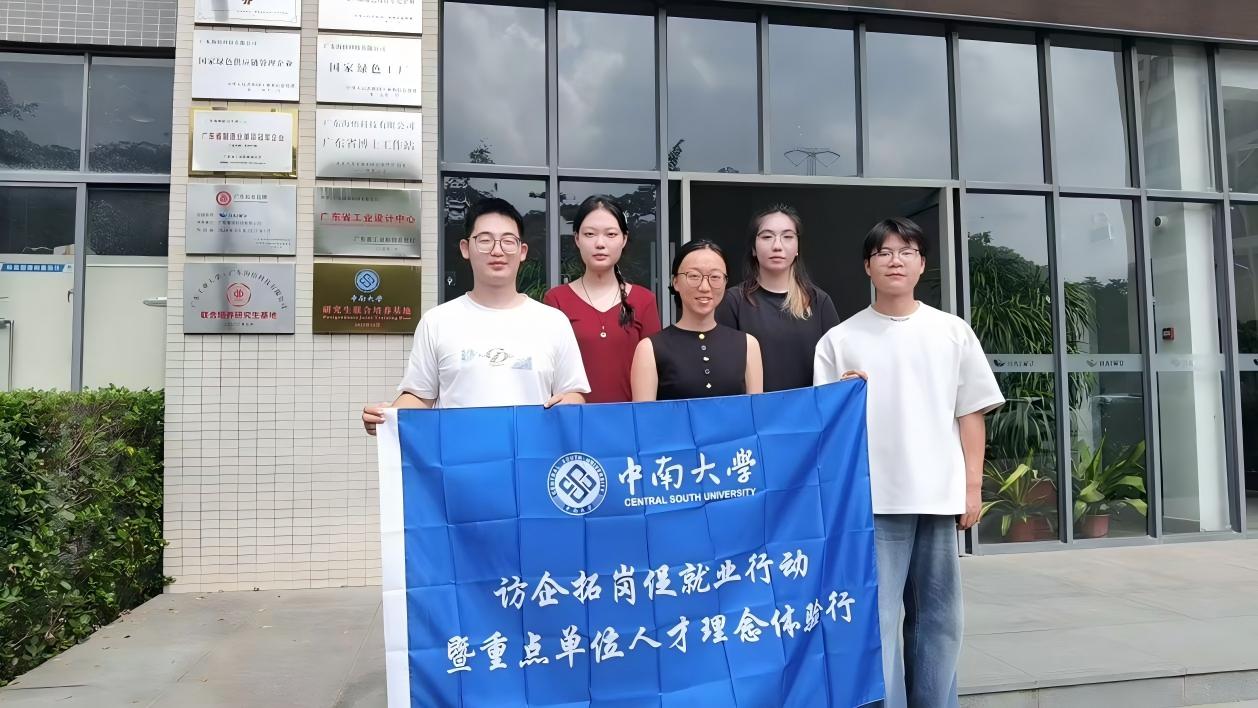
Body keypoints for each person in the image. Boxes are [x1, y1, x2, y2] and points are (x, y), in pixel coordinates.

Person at [813, 217, 1003, 708]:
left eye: (906, 251)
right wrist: (842, 397)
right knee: (876, 620)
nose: (895, 261)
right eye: (884, 252)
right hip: (874, 501)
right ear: (867, 266)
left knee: (940, 620)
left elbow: (970, 412)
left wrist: (972, 488)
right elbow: (825, 426)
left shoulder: (952, 332)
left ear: (922, 264)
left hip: (938, 496)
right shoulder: (839, 340)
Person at [361, 198, 589, 432]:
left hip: (530, 451)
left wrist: (569, 402)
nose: (497, 251)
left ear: (522, 251)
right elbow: (420, 396)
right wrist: (388, 417)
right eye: (485, 240)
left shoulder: (553, 322)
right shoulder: (437, 322)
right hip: (459, 453)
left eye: (508, 241)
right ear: (465, 248)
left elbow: (574, 393)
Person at [543, 196, 661, 403]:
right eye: (589, 234)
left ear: (624, 239)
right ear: (577, 239)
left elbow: (654, 372)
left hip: (630, 419)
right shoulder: (556, 299)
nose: (600, 244)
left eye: (611, 234)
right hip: (574, 418)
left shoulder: (644, 300)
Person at [716, 204, 839, 391]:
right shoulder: (733, 301)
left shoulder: (818, 301)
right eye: (767, 237)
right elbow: (724, 369)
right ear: (753, 248)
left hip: (809, 408)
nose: (777, 246)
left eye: (787, 237)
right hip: (754, 408)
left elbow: (836, 366)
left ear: (797, 247)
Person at [630, 240, 763, 401]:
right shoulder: (649, 349)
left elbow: (755, 412)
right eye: (694, 276)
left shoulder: (748, 345)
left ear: (725, 282)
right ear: (675, 282)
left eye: (715, 277)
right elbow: (645, 415)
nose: (704, 287)